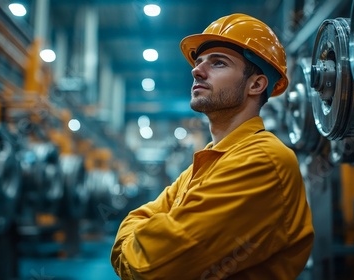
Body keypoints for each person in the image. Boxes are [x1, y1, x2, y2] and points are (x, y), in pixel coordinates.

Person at [110, 13, 314, 279]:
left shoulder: (262, 161)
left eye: (218, 63)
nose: (196, 70)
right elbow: (135, 233)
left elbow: (151, 266)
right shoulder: (207, 163)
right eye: (198, 62)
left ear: (256, 84)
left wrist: (141, 233)